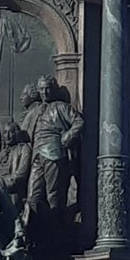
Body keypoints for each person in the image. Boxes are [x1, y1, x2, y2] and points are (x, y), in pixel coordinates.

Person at [25, 75, 84, 223]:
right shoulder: (36, 110)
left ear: (54, 89)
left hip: (54, 154)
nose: (44, 92)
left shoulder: (61, 106)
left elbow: (79, 121)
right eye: (41, 89)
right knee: (33, 195)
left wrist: (68, 136)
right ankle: (34, 229)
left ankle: (56, 230)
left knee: (54, 195)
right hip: (36, 156)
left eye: (47, 88)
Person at [0, 120, 32, 208]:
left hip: (11, 190)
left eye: (11, 132)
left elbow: (21, 174)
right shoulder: (2, 152)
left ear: (16, 134)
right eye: (5, 132)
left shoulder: (24, 149)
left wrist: (1, 183)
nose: (7, 136)